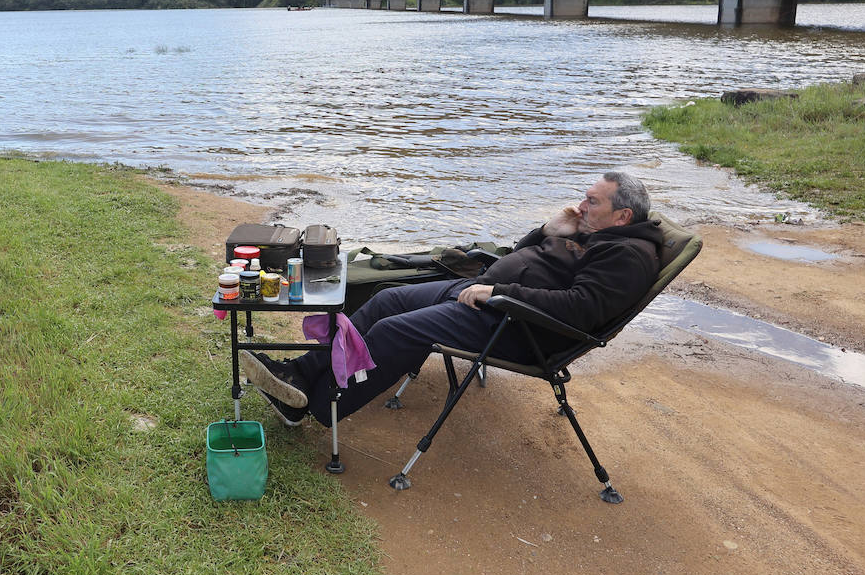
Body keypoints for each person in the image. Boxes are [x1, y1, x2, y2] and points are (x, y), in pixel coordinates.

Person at [239, 171, 663, 427]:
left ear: (623, 216)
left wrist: (499, 292)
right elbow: (522, 254)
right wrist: (546, 232)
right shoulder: (598, 234)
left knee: (393, 331)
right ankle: (298, 374)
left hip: (518, 325)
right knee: (388, 300)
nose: (581, 205)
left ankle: (319, 405)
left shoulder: (625, 255)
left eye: (593, 201)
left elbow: (580, 308)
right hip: (485, 295)